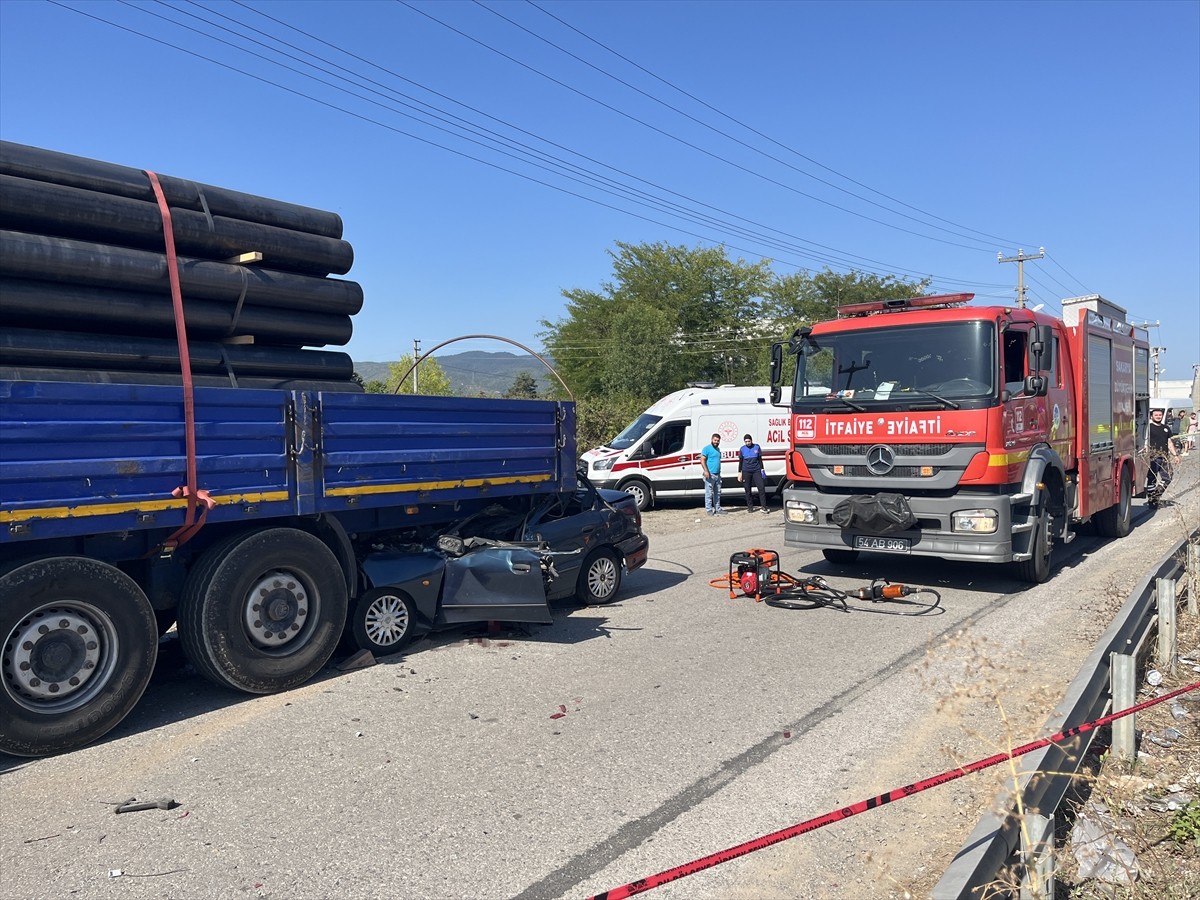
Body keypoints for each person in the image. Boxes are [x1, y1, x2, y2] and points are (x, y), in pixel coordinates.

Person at [1146, 407, 1180, 498]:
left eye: (1160, 415)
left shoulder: (1166, 428)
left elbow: (1169, 442)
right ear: (1151, 416)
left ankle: (1156, 494)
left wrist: (1175, 455)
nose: (1158, 417)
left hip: (1164, 456)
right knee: (1152, 478)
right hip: (1153, 456)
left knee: (1168, 476)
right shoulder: (1148, 428)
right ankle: (1151, 500)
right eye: (1156, 415)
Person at [737, 434, 769, 513]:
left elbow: (760, 459)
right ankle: (750, 507)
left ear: (751, 440)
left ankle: (764, 506)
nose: (747, 443)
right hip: (746, 471)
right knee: (747, 489)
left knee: (761, 488)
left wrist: (762, 470)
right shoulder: (742, 449)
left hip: (756, 470)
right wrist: (739, 472)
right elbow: (740, 462)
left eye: (749, 441)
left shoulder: (757, 447)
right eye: (746, 441)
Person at [700, 432, 724, 515]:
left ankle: (718, 509)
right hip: (710, 474)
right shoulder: (706, 449)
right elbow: (702, 460)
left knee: (717, 493)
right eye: (715, 440)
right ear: (711, 439)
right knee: (709, 493)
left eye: (718, 441)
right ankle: (709, 510)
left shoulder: (718, 449)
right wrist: (706, 471)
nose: (716, 442)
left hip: (717, 475)